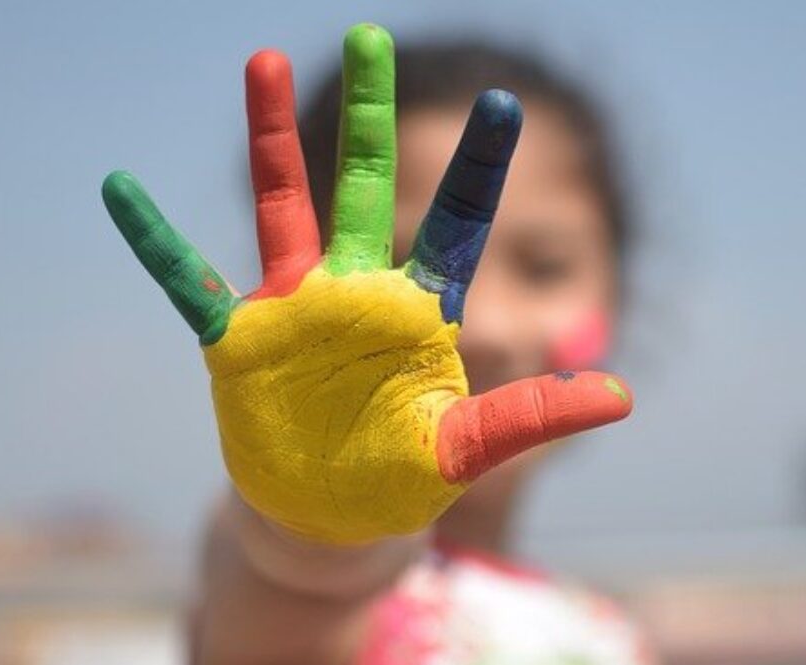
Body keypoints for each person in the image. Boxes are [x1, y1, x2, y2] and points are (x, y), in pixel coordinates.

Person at [102, 23, 646, 665]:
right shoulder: (290, 553)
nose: (489, 327)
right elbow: (290, 580)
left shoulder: (604, 628)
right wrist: (320, 525)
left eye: (544, 267)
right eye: (401, 265)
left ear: (618, 285)